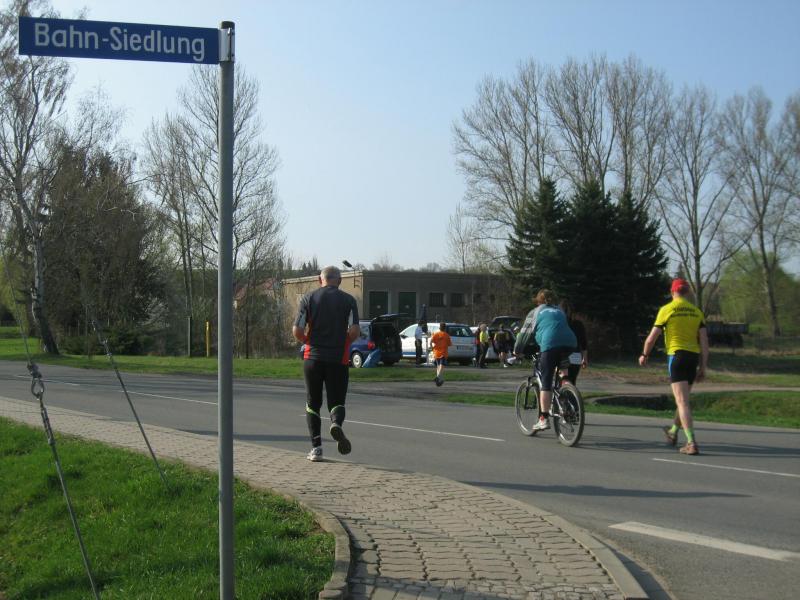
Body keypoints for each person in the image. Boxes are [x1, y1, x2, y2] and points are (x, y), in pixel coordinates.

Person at [292, 266, 360, 462]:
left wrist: (308, 341)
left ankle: (316, 449)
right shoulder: (349, 300)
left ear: (319, 279)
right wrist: (343, 343)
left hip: (312, 358)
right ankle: (336, 423)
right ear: (339, 281)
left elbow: (297, 330)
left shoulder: (308, 299)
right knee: (337, 401)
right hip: (338, 359)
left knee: (312, 403)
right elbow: (354, 331)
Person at [639, 278, 708, 456]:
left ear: (672, 292)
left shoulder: (667, 309)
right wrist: (703, 367)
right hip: (693, 357)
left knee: (682, 402)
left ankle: (691, 443)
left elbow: (651, 338)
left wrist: (644, 354)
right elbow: (704, 343)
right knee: (683, 400)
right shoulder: (697, 312)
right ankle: (673, 431)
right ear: (688, 292)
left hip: (677, 356)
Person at [514, 289, 577, 432]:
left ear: (538, 300)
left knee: (546, 382)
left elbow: (524, 334)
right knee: (563, 373)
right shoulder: (560, 310)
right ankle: (568, 395)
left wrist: (517, 350)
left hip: (550, 344)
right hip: (570, 343)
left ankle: (543, 419)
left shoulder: (535, 312)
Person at [560, 300, 588, 384]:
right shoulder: (579, 324)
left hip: (562, 354)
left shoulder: (559, 324)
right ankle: (570, 391)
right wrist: (585, 358)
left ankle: (563, 391)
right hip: (576, 355)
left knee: (563, 379)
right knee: (572, 381)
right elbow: (584, 343)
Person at [430, 322, 452, 386]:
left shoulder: (436, 334)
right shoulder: (447, 335)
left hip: (436, 352)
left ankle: (439, 380)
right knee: (441, 366)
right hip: (443, 352)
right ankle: (438, 377)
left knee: (438, 366)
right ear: (445, 328)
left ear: (439, 328)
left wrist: (432, 348)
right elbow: (449, 344)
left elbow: (431, 342)